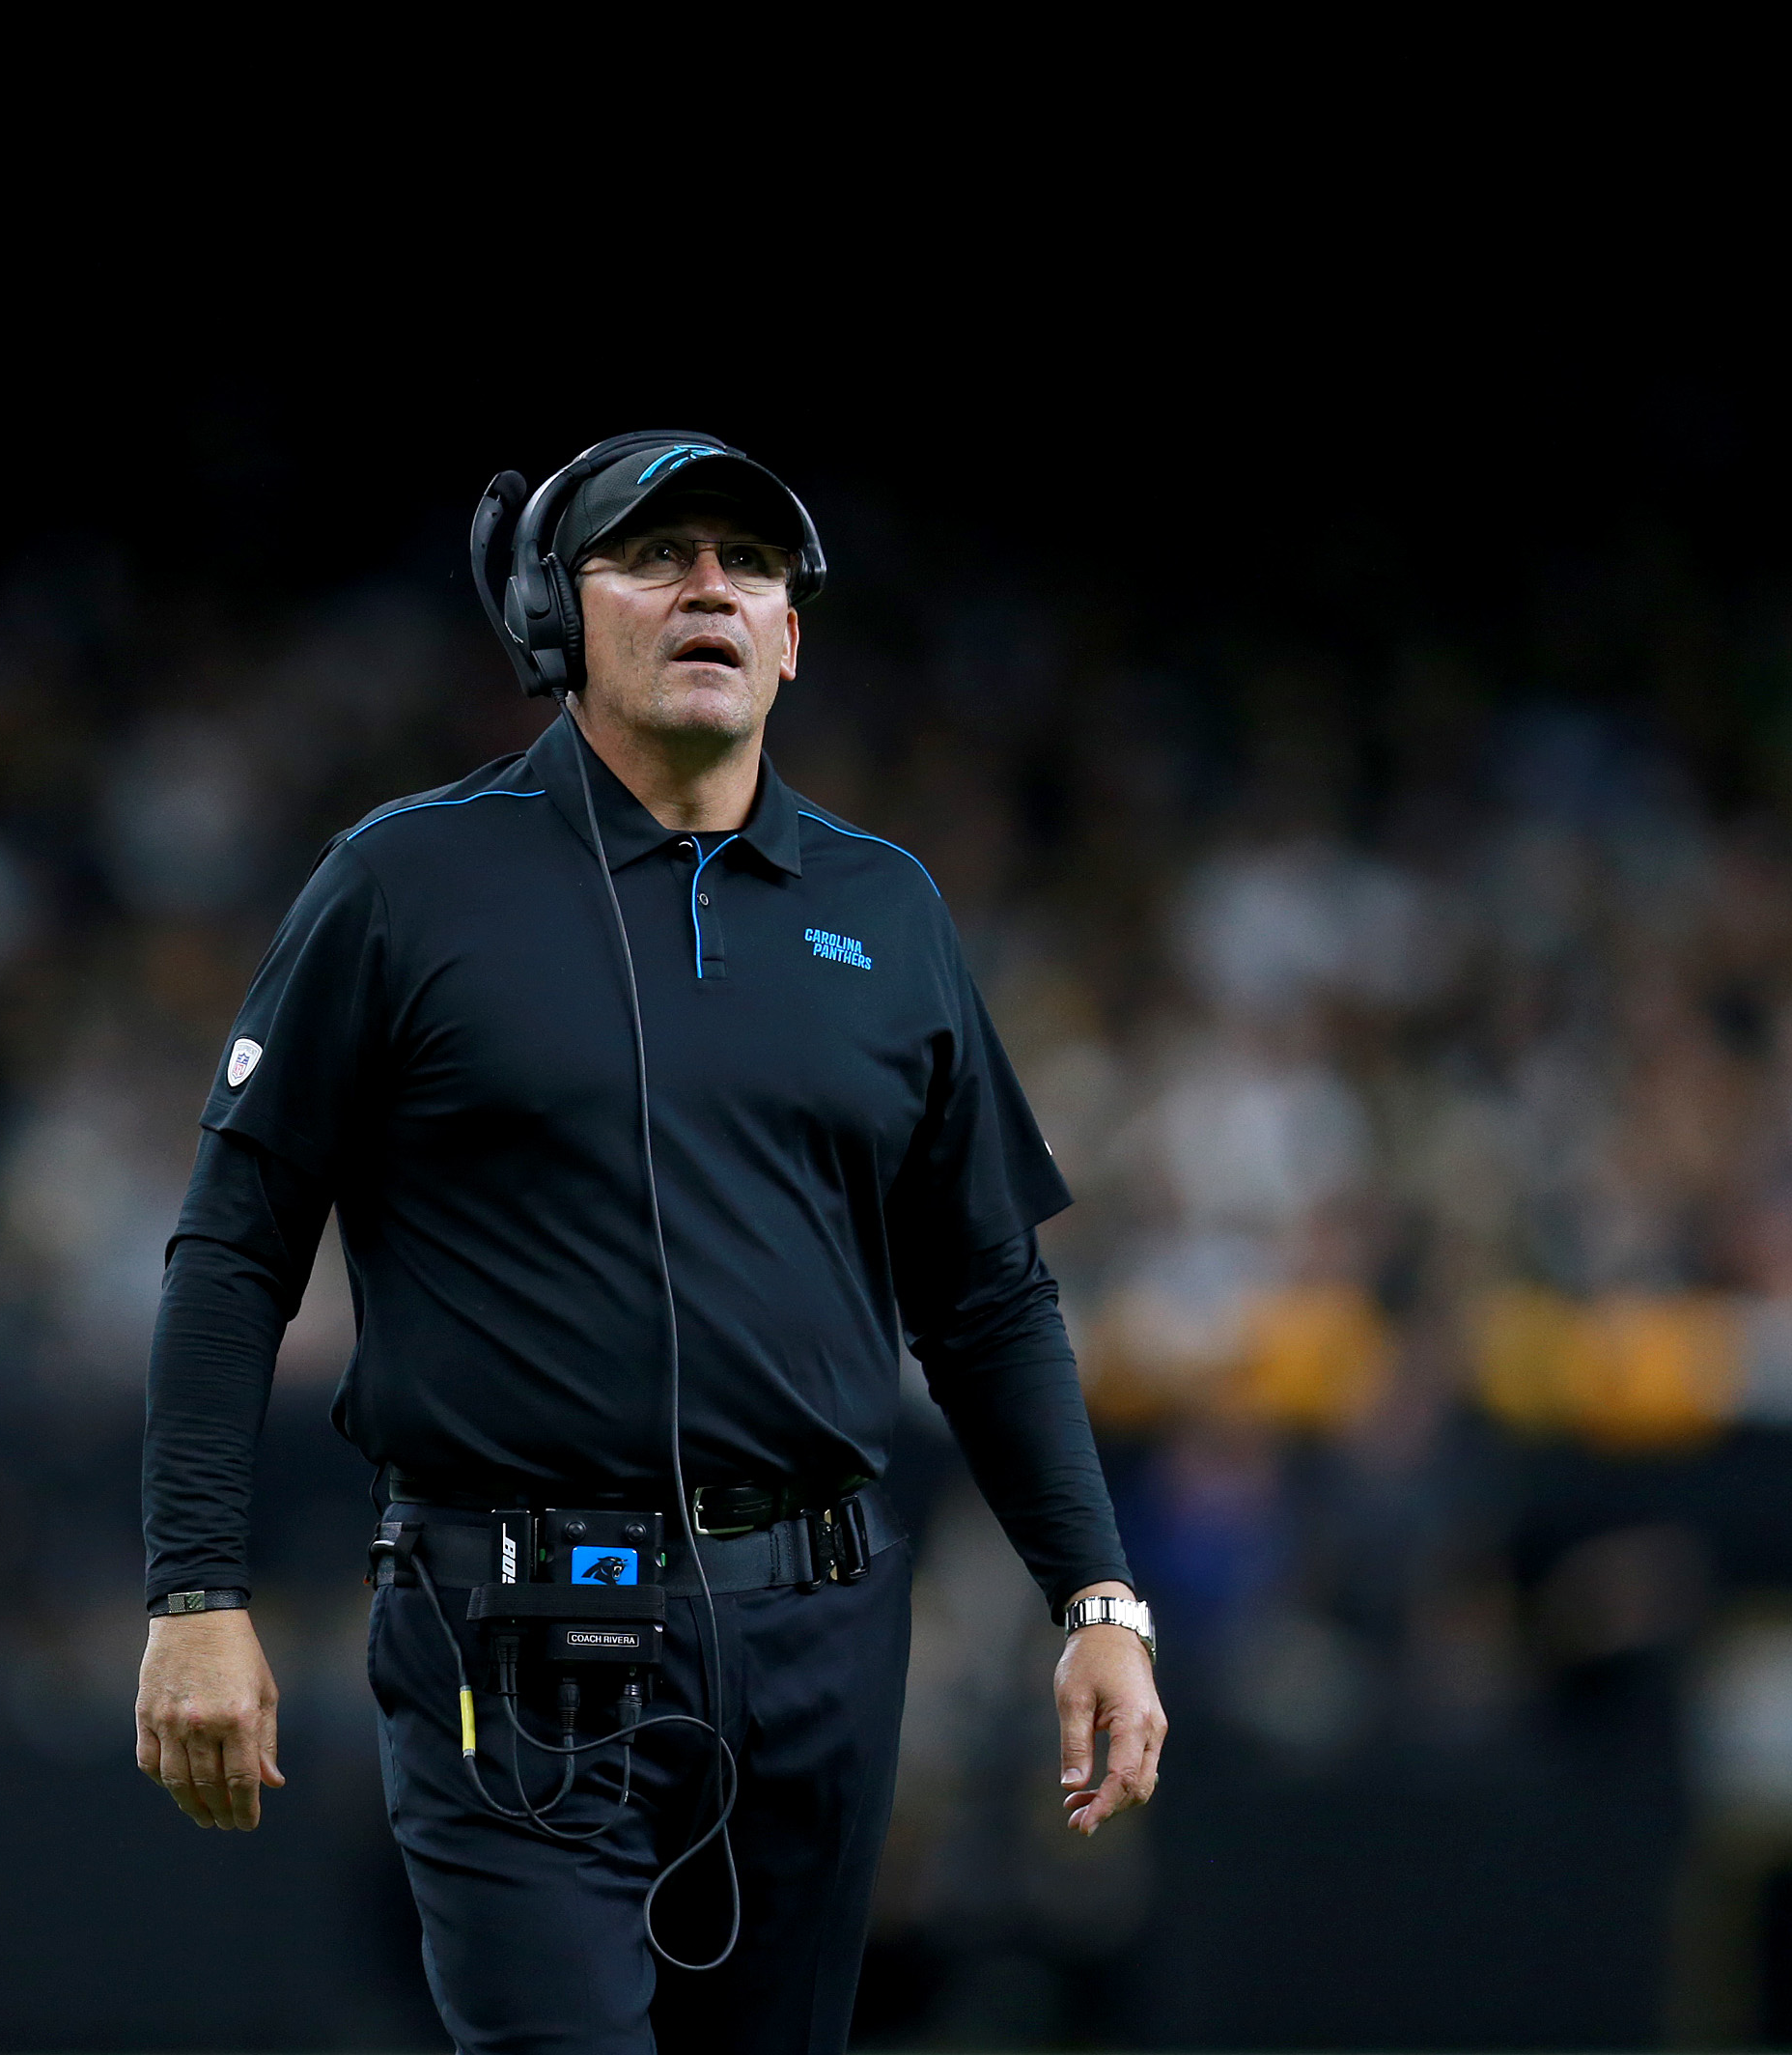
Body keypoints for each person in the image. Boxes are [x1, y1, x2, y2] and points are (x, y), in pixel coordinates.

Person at [133, 432, 1164, 2055]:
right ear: (556, 613)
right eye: (658, 554)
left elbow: (988, 1297)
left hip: (820, 1631)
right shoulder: (405, 882)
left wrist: (1096, 1599)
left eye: (747, 566)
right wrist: (195, 1587)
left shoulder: (888, 910)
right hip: (514, 1623)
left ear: (792, 638)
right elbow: (235, 1249)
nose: (710, 589)